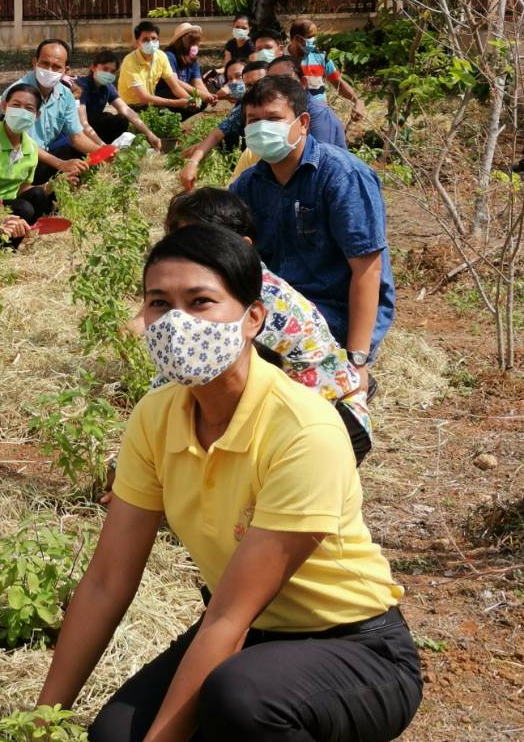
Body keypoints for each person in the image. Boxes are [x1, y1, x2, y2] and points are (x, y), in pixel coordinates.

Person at [23, 225, 421, 742]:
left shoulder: (304, 428)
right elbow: (106, 582)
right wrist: (41, 733)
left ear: (252, 317)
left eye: (201, 301)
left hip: (356, 650)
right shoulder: (156, 417)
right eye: (158, 302)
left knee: (239, 700)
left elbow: (228, 620)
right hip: (248, 638)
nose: (175, 321)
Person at [163, 189, 370, 460]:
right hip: (287, 416)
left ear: (243, 246)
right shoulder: (207, 293)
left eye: (205, 247)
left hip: (333, 423)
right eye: (182, 246)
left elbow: (203, 388)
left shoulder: (256, 300)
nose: (190, 258)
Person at [230, 76, 394, 380]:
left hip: (333, 310)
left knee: (256, 354)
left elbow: (367, 270)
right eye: (253, 120)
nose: (262, 127)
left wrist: (357, 362)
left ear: (303, 122)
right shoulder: (249, 184)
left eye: (274, 118)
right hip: (278, 305)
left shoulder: (342, 176)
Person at [0, 39, 102, 185]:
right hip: (18, 159)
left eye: (56, 66)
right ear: (35, 63)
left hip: (43, 157)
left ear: (66, 70)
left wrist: (103, 153)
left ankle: (62, 199)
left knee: (78, 158)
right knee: (63, 166)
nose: (49, 70)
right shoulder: (18, 94)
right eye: (45, 64)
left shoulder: (65, 95)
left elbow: (77, 137)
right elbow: (22, 143)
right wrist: (61, 164)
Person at [177, 59, 270, 191]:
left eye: (238, 77)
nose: (234, 83)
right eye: (230, 79)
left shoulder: (286, 106)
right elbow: (220, 131)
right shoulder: (244, 105)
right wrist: (194, 161)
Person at [0, 85, 52, 229]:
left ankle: (30, 231)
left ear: (36, 115)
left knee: (38, 194)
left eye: (29, 108)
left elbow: (22, 188)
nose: (21, 112)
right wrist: (0, 217)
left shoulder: (31, 147)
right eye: (16, 105)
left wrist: (51, 186)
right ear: (4, 107)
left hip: (9, 202)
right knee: (24, 208)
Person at [74, 51, 163, 151]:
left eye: (112, 72)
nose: (108, 74)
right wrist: (102, 146)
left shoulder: (107, 87)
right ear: (93, 67)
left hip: (93, 126)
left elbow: (126, 110)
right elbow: (83, 123)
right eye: (105, 69)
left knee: (121, 120)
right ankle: (100, 148)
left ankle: (111, 147)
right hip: (78, 129)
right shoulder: (82, 86)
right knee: (106, 118)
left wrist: (150, 134)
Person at [288, 18, 366, 121]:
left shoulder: (320, 57)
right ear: (297, 39)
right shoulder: (280, 59)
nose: (315, 40)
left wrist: (357, 101)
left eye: (315, 35)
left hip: (319, 115)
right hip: (293, 117)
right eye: (310, 36)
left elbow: (338, 83)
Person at [117, 22, 197, 115]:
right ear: (137, 43)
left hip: (150, 103)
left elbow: (175, 87)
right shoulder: (130, 62)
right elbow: (143, 97)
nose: (150, 43)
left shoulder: (161, 56)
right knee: (166, 114)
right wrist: (177, 103)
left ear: (158, 40)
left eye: (154, 39)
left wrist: (189, 100)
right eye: (146, 40)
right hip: (131, 106)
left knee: (192, 106)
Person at [268, 58, 347, 150]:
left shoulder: (319, 114)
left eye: (286, 79)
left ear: (303, 82)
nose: (278, 86)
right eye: (271, 82)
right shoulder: (285, 110)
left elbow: (319, 157)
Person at [161, 22, 218, 108]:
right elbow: (175, 82)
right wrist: (199, 94)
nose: (195, 46)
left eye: (196, 43)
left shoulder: (193, 61)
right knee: (196, 98)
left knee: (202, 102)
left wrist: (208, 95)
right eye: (191, 42)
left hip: (183, 93)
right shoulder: (169, 56)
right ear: (180, 42)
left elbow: (198, 83)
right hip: (168, 92)